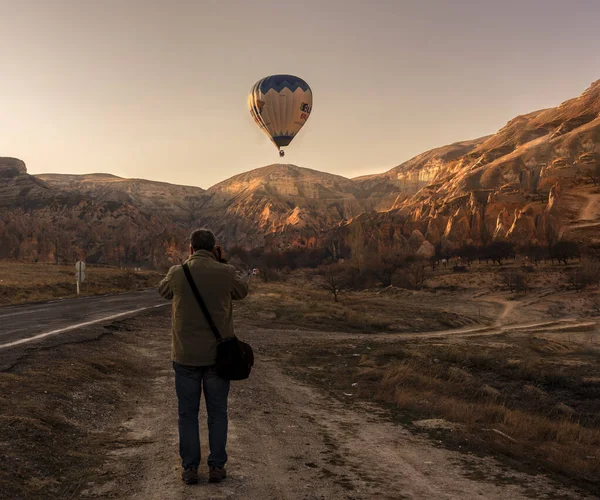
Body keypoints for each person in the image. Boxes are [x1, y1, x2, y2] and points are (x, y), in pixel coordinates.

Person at [158, 228, 249, 485]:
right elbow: (242, 292)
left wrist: (184, 266)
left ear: (190, 248)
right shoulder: (226, 272)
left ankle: (189, 468)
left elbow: (162, 292)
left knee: (187, 414)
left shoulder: (178, 273)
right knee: (217, 412)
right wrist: (222, 263)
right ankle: (217, 466)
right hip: (219, 358)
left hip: (186, 356)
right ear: (214, 248)